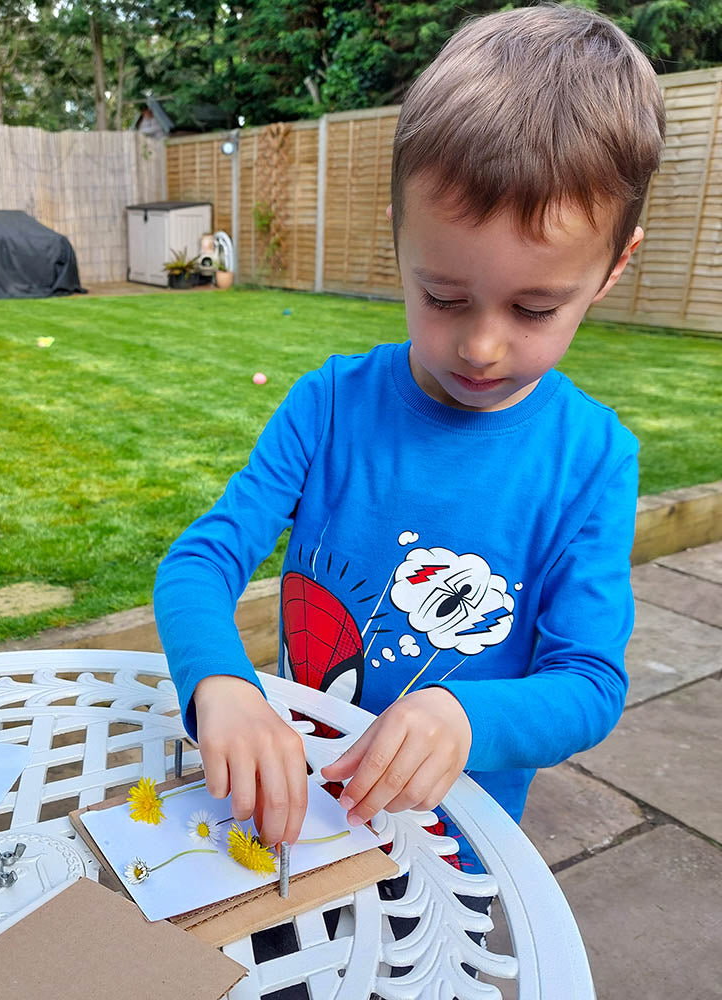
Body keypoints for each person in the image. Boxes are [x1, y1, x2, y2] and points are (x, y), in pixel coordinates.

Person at [153, 4, 666, 875]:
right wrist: (221, 684)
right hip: (290, 810)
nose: (482, 345)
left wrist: (467, 718)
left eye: (534, 309)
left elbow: (588, 683)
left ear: (612, 270)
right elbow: (199, 564)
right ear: (399, 244)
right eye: (443, 296)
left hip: (447, 847)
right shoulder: (329, 406)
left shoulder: (592, 460)